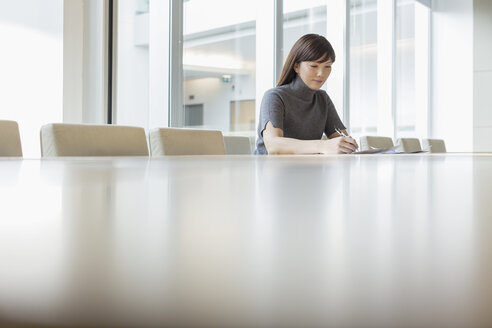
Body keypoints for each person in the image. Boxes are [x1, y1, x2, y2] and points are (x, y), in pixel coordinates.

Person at [254, 34, 358, 155]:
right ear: (296, 66)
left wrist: (347, 144)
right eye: (314, 66)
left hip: (308, 170)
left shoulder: (322, 99)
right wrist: (322, 146)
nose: (321, 73)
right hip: (271, 171)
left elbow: (341, 138)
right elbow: (273, 145)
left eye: (327, 66)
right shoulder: (275, 96)